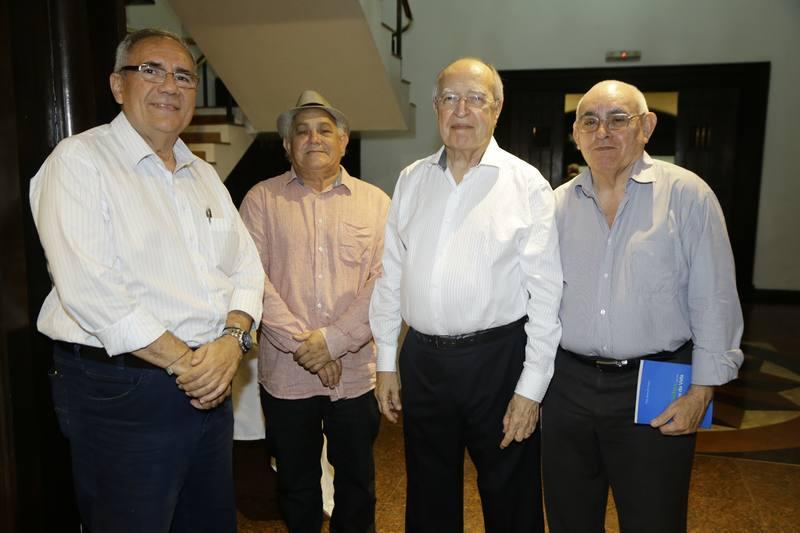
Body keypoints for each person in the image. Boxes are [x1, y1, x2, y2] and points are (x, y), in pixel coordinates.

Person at [29, 28, 265, 533]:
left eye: (184, 76)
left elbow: (247, 268)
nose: (170, 86)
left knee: (208, 522)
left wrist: (232, 342)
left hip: (211, 378)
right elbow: (91, 289)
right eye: (151, 70)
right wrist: (188, 364)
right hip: (124, 389)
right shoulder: (79, 161)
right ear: (118, 85)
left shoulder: (202, 175)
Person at [369, 58, 563, 532]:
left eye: (475, 99)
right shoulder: (412, 179)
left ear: (496, 109)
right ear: (436, 108)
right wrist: (386, 362)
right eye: (450, 98)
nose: (461, 110)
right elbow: (391, 275)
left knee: (510, 496)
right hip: (423, 362)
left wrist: (530, 390)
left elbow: (546, 296)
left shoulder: (526, 184)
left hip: (498, 362)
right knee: (429, 498)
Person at [543, 80, 744, 532]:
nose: (603, 132)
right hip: (567, 385)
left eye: (618, 119)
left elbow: (714, 297)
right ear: (575, 134)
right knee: (569, 517)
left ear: (647, 127)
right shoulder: (555, 205)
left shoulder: (688, 195)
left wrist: (702, 391)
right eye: (590, 121)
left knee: (654, 518)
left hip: (655, 384)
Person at [239, 90, 390, 533]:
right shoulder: (260, 200)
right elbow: (251, 279)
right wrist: (308, 347)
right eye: (301, 131)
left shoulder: (377, 203)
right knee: (296, 483)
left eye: (325, 130)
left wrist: (332, 342)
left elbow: (385, 283)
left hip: (355, 374)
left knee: (358, 483)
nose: (314, 138)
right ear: (287, 146)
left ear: (344, 141)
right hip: (287, 376)